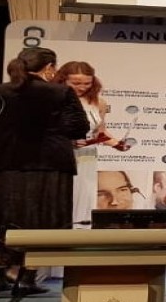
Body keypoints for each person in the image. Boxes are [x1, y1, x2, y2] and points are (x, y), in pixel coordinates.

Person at [0, 47, 90, 295]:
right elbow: (78, 127)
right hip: (47, 165)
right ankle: (26, 278)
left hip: (2, 165)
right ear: (49, 68)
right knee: (41, 222)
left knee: (3, 221)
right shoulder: (60, 92)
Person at [52, 61, 127, 228]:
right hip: (63, 156)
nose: (82, 87)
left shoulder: (99, 102)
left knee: (85, 196)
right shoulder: (54, 100)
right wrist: (68, 141)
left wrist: (117, 144)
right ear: (63, 80)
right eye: (76, 83)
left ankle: (81, 232)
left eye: (87, 83)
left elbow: (100, 133)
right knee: (64, 196)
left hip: (87, 158)